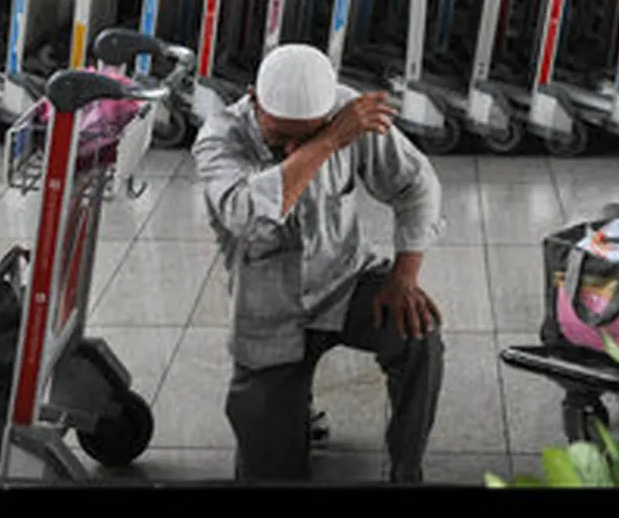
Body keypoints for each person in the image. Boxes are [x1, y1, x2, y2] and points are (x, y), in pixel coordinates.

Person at [191, 43, 446, 483]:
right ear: (255, 101)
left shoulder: (347, 111)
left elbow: (416, 184)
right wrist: (326, 142)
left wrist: (404, 276)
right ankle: (289, 416)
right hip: (268, 311)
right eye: (281, 136)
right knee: (270, 472)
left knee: (418, 334)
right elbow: (248, 214)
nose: (293, 146)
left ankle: (407, 471)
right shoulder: (220, 136)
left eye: (307, 134)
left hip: (345, 281)